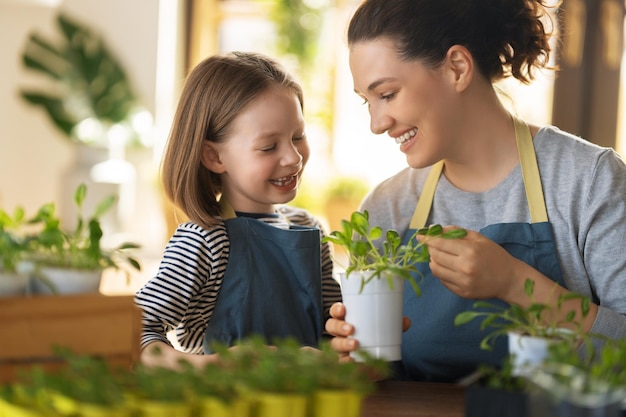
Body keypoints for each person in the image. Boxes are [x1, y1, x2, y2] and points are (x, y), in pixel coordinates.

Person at [326, 0, 626, 382]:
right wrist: (357, 359)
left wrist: (514, 283)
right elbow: (384, 381)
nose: (377, 123)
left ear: (457, 68)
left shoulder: (589, 181)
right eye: (366, 102)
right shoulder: (388, 207)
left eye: (387, 94)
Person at [135, 51, 342, 369]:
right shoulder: (204, 240)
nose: (293, 157)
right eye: (269, 146)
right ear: (214, 156)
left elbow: (334, 330)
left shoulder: (309, 228)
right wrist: (213, 366)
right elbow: (135, 334)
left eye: (298, 136)